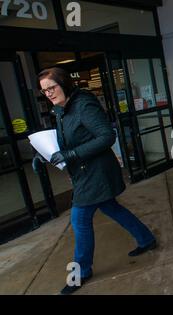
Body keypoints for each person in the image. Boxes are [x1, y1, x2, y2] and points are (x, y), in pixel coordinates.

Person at [37, 67, 157, 295]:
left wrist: (71, 154)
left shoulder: (83, 105)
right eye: (44, 91)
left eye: (52, 87)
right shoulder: (62, 109)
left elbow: (107, 136)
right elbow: (66, 138)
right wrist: (42, 153)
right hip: (84, 173)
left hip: (97, 173)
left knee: (79, 220)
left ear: (64, 84)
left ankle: (81, 272)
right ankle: (146, 239)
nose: (49, 94)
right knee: (112, 208)